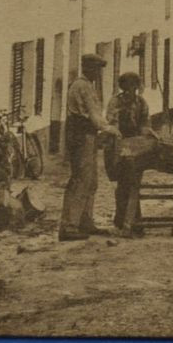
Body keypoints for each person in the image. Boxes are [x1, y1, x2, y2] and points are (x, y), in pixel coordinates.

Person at [59, 54, 113, 241]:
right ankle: (69, 226)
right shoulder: (82, 86)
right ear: (88, 68)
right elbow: (95, 117)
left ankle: (85, 221)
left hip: (87, 134)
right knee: (81, 179)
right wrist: (110, 129)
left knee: (91, 181)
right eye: (96, 69)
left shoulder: (86, 85)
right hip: (81, 135)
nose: (98, 73)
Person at [105, 71, 153, 234]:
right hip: (117, 146)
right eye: (128, 87)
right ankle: (123, 218)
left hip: (135, 146)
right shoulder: (115, 102)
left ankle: (132, 218)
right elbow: (112, 123)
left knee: (133, 181)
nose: (132, 91)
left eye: (135, 87)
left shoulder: (141, 103)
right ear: (123, 87)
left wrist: (146, 133)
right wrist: (120, 141)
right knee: (123, 182)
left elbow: (145, 123)